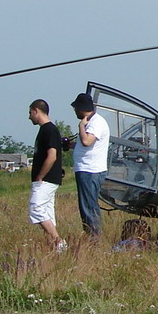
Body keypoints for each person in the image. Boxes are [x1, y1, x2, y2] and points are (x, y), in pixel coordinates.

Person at [28, 99, 67, 252]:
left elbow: (52, 156)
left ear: (36, 110)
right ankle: (55, 247)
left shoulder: (49, 130)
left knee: (36, 208)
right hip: (48, 179)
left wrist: (40, 176)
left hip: (46, 179)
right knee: (46, 212)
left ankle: (59, 241)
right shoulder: (45, 130)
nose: (29, 116)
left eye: (30, 112)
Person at [70, 92, 110, 237]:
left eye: (75, 108)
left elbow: (87, 142)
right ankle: (91, 235)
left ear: (80, 108)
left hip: (90, 171)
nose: (74, 111)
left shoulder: (96, 122)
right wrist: (71, 145)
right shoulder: (92, 122)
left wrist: (81, 126)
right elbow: (84, 143)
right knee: (86, 205)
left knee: (89, 206)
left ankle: (93, 237)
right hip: (86, 169)